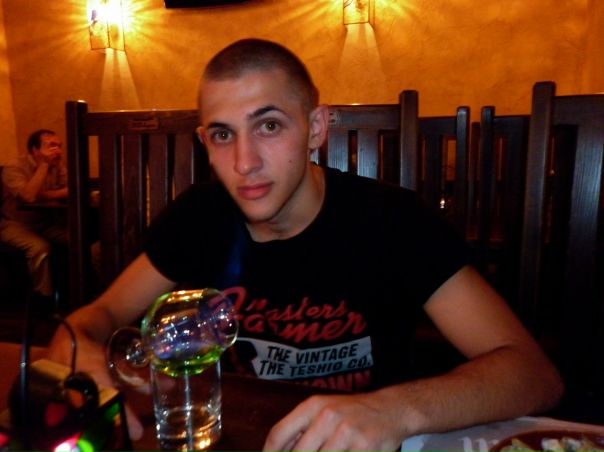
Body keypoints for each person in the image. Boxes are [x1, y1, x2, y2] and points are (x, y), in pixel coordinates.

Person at [47, 39, 563, 451]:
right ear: (205, 142)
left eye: (269, 126)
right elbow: (94, 318)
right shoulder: (198, 217)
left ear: (316, 128)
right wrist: (82, 354)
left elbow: (532, 373)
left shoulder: (393, 220)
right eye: (223, 135)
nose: (245, 162)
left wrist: (395, 409)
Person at [1, 129, 68, 303]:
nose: (58, 150)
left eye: (59, 146)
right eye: (51, 146)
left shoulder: (58, 165)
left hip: (47, 222)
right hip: (15, 224)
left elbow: (69, 191)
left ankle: (77, 294)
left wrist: (44, 194)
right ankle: (43, 300)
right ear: (35, 150)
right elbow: (29, 197)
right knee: (40, 248)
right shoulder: (14, 167)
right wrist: (44, 165)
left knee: (77, 238)